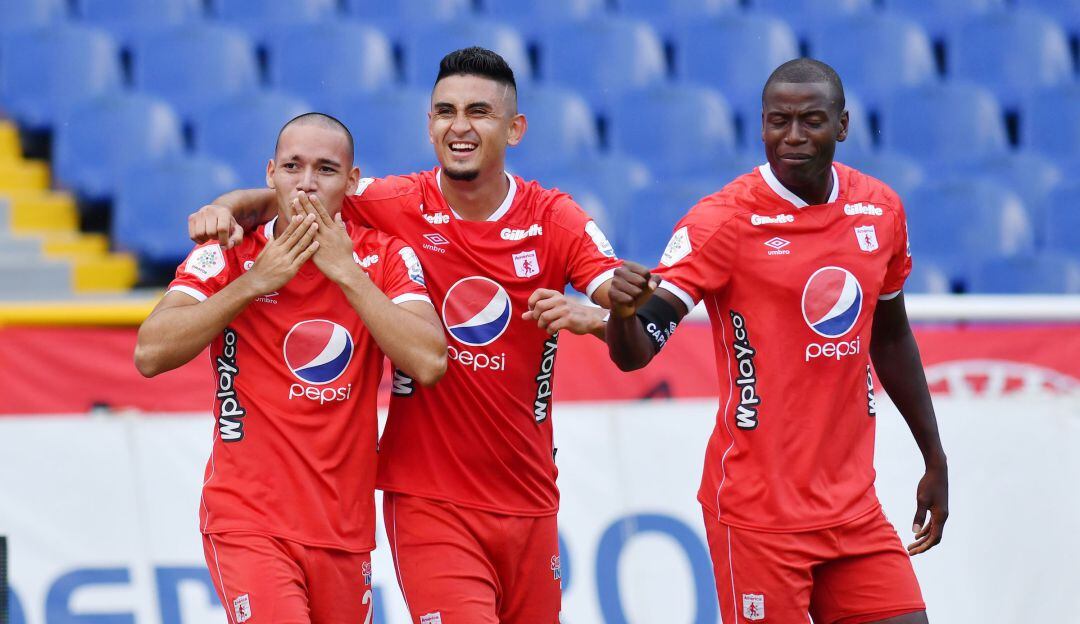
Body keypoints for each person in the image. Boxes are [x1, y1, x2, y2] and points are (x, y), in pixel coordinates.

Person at [188, 48, 621, 623]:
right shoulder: (393, 205)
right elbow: (297, 194)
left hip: (529, 491)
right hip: (427, 496)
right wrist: (224, 206)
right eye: (445, 111)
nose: (459, 126)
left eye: (478, 112)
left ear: (515, 128)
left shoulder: (553, 217)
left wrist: (607, 320)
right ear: (429, 124)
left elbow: (638, 314)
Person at [605, 59, 948, 624]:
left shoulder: (879, 209)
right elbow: (636, 349)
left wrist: (933, 457)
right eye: (777, 121)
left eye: (810, 121)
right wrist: (621, 313)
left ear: (842, 125)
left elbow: (891, 339)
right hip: (757, 516)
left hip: (852, 510)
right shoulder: (722, 222)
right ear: (760, 126)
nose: (792, 137)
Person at [135, 113, 447, 624]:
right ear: (270, 174)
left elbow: (430, 361)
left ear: (351, 181)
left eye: (325, 169)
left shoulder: (383, 257)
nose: (305, 183)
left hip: (343, 531)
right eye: (292, 166)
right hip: (249, 522)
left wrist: (346, 274)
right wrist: (257, 282)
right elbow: (150, 353)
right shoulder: (232, 253)